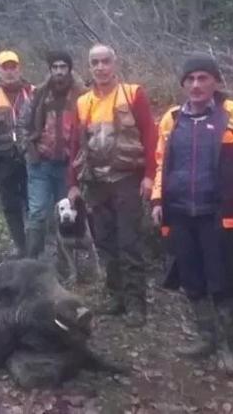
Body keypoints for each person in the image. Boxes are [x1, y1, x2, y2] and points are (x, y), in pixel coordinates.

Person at [151, 53, 233, 371]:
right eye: (190, 79)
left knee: (221, 279)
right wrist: (157, 200)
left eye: (203, 78)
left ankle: (228, 347)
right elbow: (160, 163)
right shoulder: (170, 119)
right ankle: (205, 336)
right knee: (191, 277)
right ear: (183, 84)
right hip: (180, 212)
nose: (196, 85)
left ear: (216, 81)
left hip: (218, 213)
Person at [67, 44, 157, 326]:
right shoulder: (83, 102)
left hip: (127, 179)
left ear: (114, 63)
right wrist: (72, 184)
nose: (100, 67)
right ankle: (116, 296)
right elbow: (74, 145)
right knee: (105, 242)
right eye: (95, 62)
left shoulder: (133, 94)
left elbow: (151, 135)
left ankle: (136, 305)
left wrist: (150, 175)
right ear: (89, 66)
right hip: (95, 182)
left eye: (105, 61)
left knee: (129, 242)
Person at [18, 50, 85, 259]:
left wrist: (83, 158)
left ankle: (66, 263)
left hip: (68, 165)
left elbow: (89, 126)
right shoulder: (38, 93)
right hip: (41, 163)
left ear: (69, 69)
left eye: (63, 67)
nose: (59, 72)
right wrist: (28, 148)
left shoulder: (82, 95)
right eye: (55, 68)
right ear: (50, 70)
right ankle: (31, 261)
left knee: (66, 214)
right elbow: (22, 125)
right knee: (37, 212)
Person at [0, 50, 34, 258]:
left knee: (34, 204)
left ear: (20, 69)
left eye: (13, 67)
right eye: (6, 67)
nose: (10, 71)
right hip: (3, 159)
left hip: (30, 157)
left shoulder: (34, 92)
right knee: (10, 205)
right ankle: (20, 246)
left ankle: (35, 246)